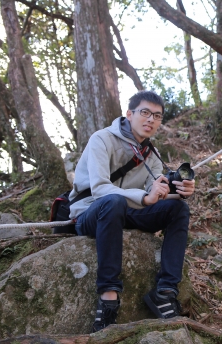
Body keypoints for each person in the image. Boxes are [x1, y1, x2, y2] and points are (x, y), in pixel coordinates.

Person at [69, 91, 195, 332]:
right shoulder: (101, 139)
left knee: (178, 208)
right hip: (90, 213)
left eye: (157, 116)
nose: (150, 120)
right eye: (145, 113)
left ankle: (165, 292)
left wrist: (181, 191)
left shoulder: (151, 153)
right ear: (129, 114)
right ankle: (108, 299)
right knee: (114, 201)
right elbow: (99, 189)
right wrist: (144, 197)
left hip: (126, 211)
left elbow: (154, 192)